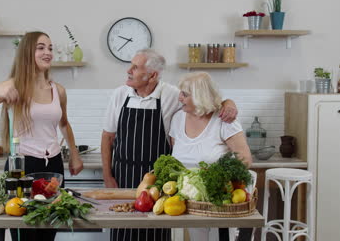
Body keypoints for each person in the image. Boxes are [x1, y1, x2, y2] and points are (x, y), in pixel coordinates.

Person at [0, 31, 83, 241]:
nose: (48, 52)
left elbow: (64, 123)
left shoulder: (58, 90)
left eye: (50, 48)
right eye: (40, 48)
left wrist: (75, 155)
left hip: (53, 167)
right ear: (27, 53)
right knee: (24, 233)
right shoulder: (13, 88)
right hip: (23, 169)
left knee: (48, 232)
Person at [101, 49, 239, 241]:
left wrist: (228, 103)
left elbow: (203, 100)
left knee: (155, 230)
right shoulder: (119, 95)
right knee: (123, 228)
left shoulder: (172, 95)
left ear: (153, 75)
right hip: (123, 175)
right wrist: (108, 176)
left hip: (159, 180)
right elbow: (107, 138)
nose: (128, 70)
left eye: (135, 67)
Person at [169, 72, 252, 241]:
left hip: (220, 200)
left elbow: (245, 159)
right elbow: (175, 155)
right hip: (191, 200)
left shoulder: (224, 120)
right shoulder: (178, 119)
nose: (179, 98)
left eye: (184, 94)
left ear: (200, 97)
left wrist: (220, 181)